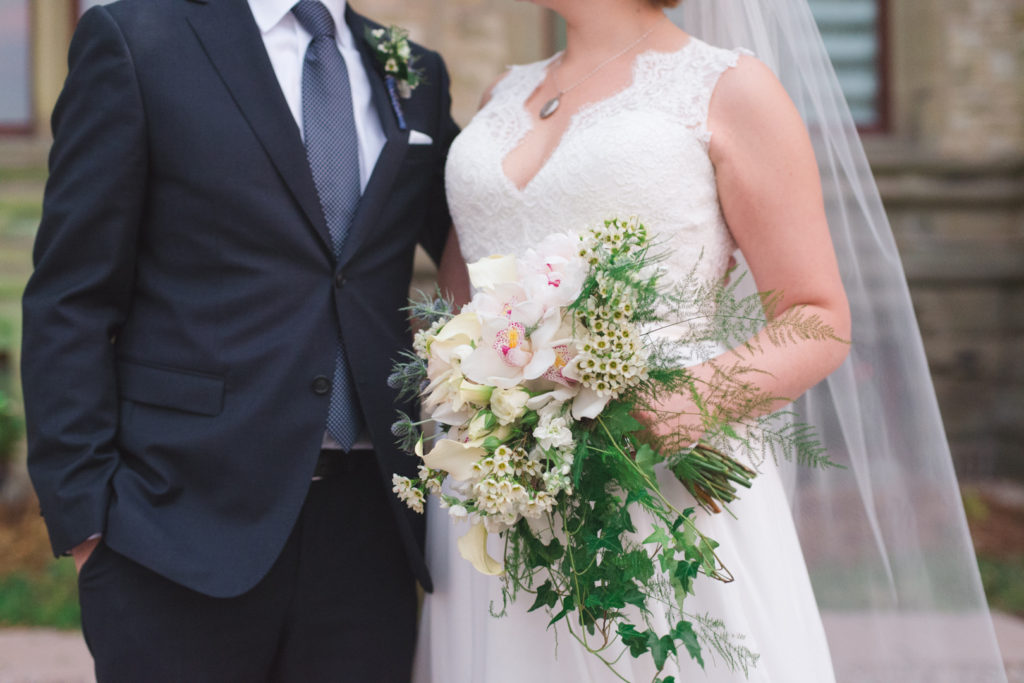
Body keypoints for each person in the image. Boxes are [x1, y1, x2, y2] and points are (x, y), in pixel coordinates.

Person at [414, 0, 1008, 680]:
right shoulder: (505, 91)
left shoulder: (730, 88)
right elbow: (467, 295)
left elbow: (818, 316)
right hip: (496, 483)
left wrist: (685, 402)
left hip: (655, 477)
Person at [21, 0, 461, 680]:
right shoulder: (137, 39)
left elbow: (482, 225)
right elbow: (71, 297)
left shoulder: (414, 71)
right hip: (177, 523)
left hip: (368, 532)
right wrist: (87, 521)